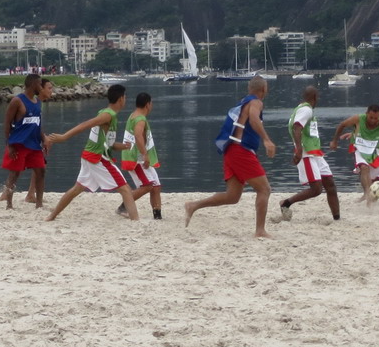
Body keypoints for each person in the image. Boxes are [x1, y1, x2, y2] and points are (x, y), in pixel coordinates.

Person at [184, 76, 277, 238]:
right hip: (241, 151)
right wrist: (267, 140)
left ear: (249, 89)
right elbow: (255, 120)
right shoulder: (256, 102)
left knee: (233, 196)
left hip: (230, 150)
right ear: (264, 90)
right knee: (264, 189)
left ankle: (193, 205)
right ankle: (260, 230)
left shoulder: (242, 103)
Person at [46, 84, 140, 221]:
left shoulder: (108, 113)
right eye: (125, 97)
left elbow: (110, 144)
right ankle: (136, 221)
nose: (125, 99)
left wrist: (124, 146)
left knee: (76, 189)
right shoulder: (108, 115)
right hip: (97, 158)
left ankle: (51, 216)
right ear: (120, 99)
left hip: (89, 156)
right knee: (125, 189)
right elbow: (85, 124)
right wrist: (64, 136)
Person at [275, 85, 340, 222]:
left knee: (330, 185)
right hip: (307, 153)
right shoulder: (306, 110)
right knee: (316, 189)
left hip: (316, 153)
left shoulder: (303, 109)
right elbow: (296, 127)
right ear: (315, 98)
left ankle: (337, 219)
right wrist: (299, 150)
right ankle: (286, 203)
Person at [332, 103, 379, 205]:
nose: (373, 120)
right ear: (366, 114)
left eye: (376, 118)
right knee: (364, 168)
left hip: (374, 151)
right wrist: (335, 141)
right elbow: (342, 125)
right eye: (371, 117)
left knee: (377, 180)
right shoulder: (358, 118)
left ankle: (370, 197)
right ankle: (367, 193)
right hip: (360, 149)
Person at [0, 74, 51, 209]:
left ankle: (38, 203)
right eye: (40, 84)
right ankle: (9, 204)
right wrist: (9, 145)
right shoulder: (17, 101)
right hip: (19, 143)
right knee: (14, 173)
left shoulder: (37, 102)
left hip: (34, 144)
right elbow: (7, 122)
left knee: (41, 171)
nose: (41, 87)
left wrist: (43, 139)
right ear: (33, 84)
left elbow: (37, 124)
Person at [119, 92, 162, 219]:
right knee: (148, 185)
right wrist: (145, 155)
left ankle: (157, 215)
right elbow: (138, 136)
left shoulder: (134, 115)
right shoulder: (140, 119)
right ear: (148, 104)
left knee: (156, 186)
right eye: (151, 103)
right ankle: (123, 207)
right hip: (136, 159)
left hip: (139, 157)